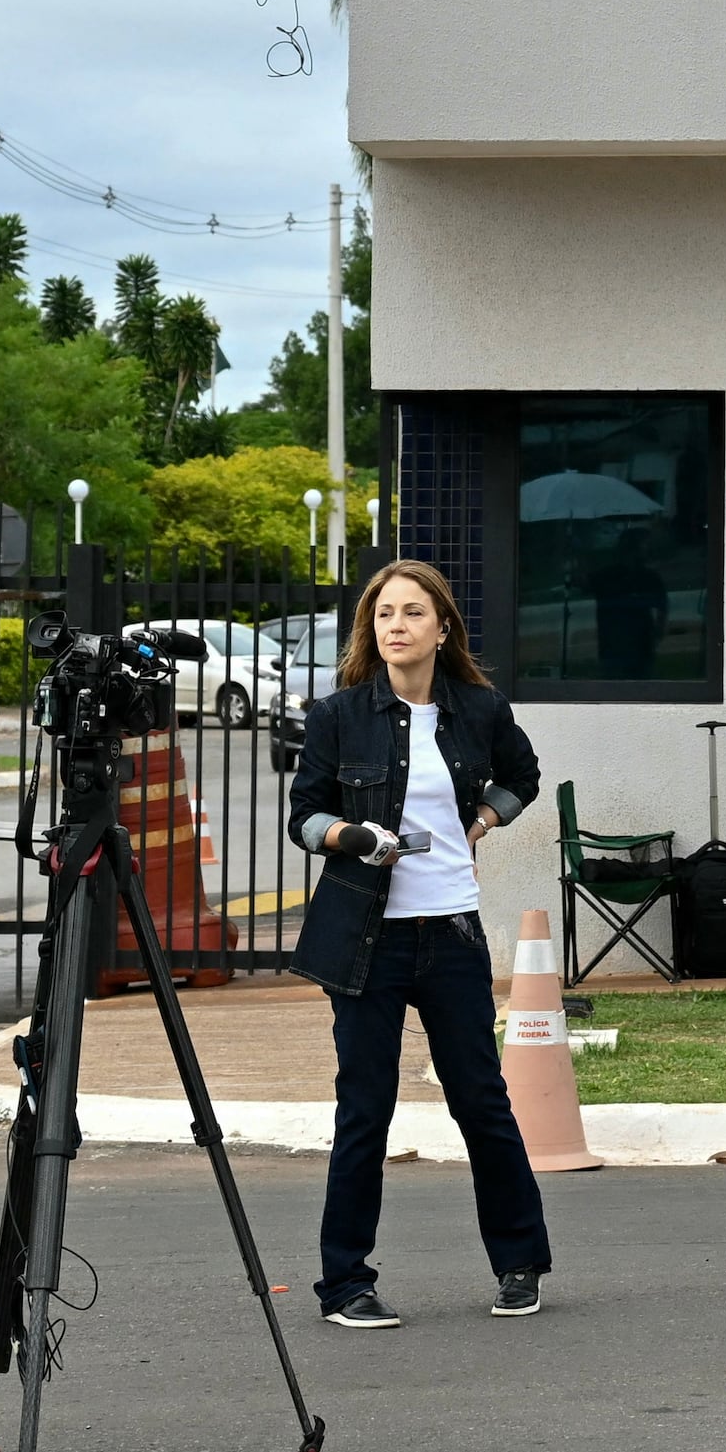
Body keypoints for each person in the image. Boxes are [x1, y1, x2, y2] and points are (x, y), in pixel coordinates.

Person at [283, 555, 552, 1327]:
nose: (395, 626)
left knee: (481, 1099)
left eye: (411, 613)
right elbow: (304, 815)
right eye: (384, 614)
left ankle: (519, 1262)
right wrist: (351, 833)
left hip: (452, 932)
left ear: (441, 628)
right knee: (365, 1108)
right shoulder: (340, 715)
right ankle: (346, 1284)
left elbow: (522, 774)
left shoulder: (477, 707)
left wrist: (482, 820)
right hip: (365, 937)